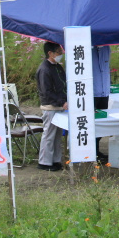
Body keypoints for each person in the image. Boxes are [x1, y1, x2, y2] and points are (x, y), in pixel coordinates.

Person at [35, 41, 68, 171]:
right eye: (59, 52)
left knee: (57, 136)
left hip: (59, 106)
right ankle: (44, 162)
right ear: (50, 53)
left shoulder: (57, 67)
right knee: (49, 135)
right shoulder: (44, 69)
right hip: (50, 106)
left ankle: (55, 161)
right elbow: (46, 91)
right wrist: (62, 102)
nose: (61, 54)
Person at [92, 45, 111, 163]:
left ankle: (96, 151)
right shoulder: (86, 48)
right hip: (91, 92)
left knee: (102, 122)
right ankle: (91, 152)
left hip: (104, 92)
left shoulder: (106, 48)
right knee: (91, 123)